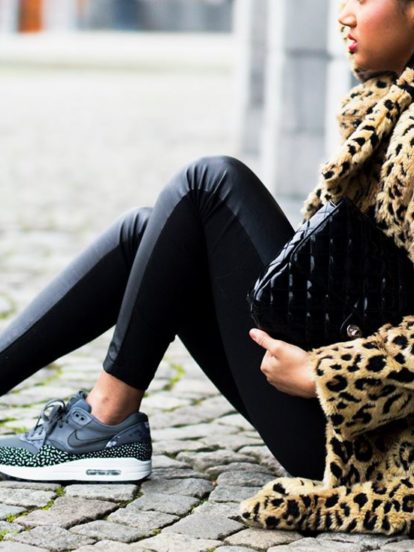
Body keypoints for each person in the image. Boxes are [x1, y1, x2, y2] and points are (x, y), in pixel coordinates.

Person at [1, 0, 414, 536]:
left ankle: (105, 419)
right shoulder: (388, 105)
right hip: (337, 405)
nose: (343, 15)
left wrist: (326, 373)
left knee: (208, 183)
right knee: (148, 232)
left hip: (367, 444)